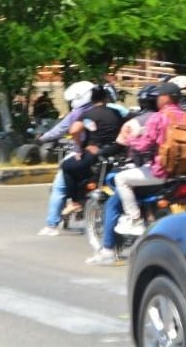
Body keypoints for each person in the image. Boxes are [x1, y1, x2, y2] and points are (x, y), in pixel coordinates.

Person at [113, 81, 186, 236]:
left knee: (121, 179)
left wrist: (129, 138)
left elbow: (143, 146)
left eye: (160, 96)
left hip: (161, 173)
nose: (157, 99)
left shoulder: (159, 118)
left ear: (165, 98)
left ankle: (134, 219)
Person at [36, 80, 97, 236]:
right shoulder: (107, 109)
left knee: (59, 188)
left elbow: (60, 130)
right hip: (105, 153)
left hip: (81, 154)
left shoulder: (77, 114)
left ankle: (52, 225)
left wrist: (42, 138)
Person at [58, 85, 124, 218]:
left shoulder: (89, 114)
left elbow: (74, 130)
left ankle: (75, 202)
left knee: (66, 166)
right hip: (115, 152)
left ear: (91, 99)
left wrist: (79, 147)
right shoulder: (116, 113)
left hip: (94, 153)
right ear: (106, 98)